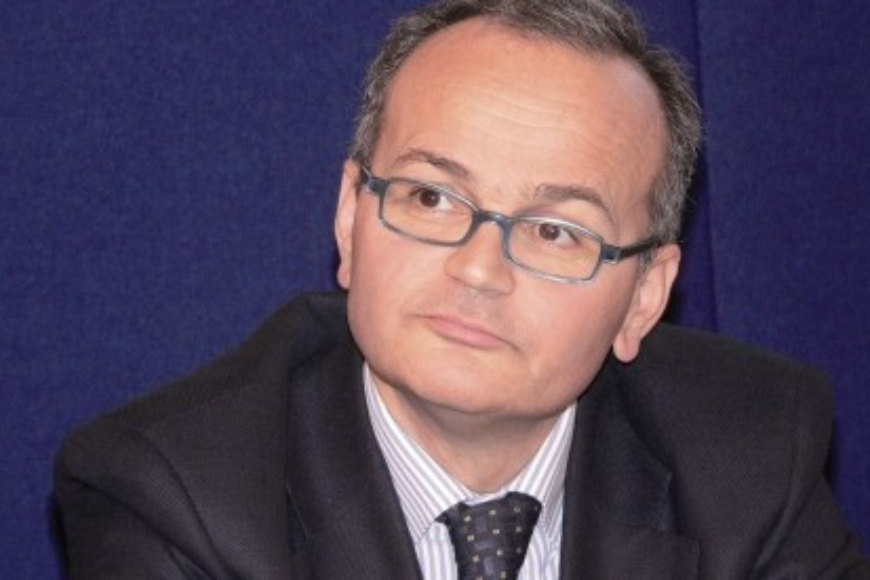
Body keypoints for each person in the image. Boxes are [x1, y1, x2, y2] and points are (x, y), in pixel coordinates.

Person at [54, 0, 869, 578]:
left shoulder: (753, 452)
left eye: (555, 231)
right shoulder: (176, 495)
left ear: (644, 297)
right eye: (432, 197)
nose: (478, 270)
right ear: (350, 219)